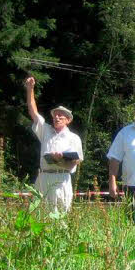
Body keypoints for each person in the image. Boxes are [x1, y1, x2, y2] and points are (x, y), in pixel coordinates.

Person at [24, 76, 82, 215]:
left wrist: (59, 160)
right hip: (43, 177)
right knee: (37, 214)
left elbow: (75, 162)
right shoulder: (46, 130)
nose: (56, 117)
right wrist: (30, 89)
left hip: (61, 179)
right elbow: (33, 112)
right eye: (55, 115)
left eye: (60, 116)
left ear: (68, 120)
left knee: (59, 215)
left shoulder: (73, 138)